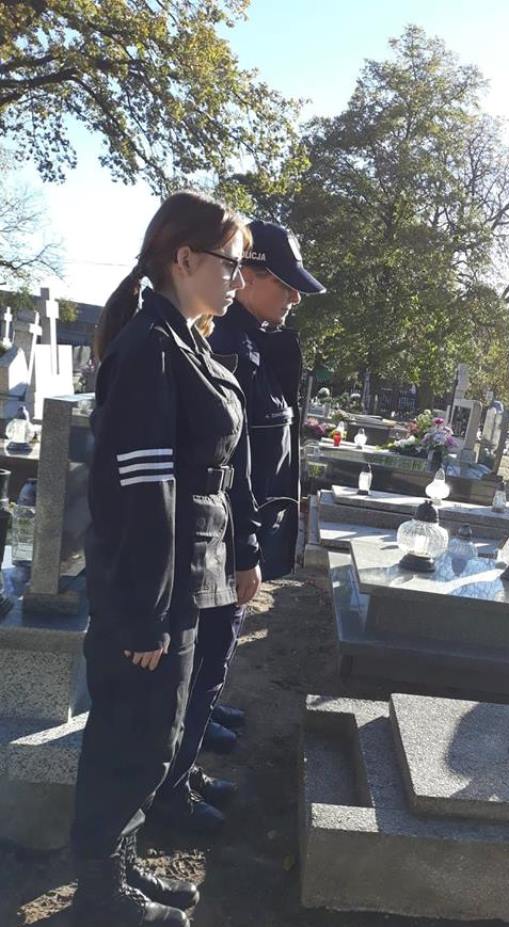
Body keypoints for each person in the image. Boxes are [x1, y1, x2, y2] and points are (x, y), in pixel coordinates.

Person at [70, 192, 261, 927]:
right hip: (153, 585)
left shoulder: (179, 339)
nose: (238, 279)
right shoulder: (151, 346)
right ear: (185, 259)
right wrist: (146, 614)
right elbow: (146, 494)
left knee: (155, 734)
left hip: (185, 576)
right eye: (231, 263)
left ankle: (117, 863)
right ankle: (98, 892)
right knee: (130, 737)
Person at [151, 220, 325, 834]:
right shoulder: (228, 343)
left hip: (237, 535)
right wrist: (246, 547)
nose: (294, 296)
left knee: (210, 663)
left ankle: (184, 764)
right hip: (222, 540)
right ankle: (169, 794)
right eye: (284, 283)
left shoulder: (253, 340)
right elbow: (228, 466)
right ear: (247, 275)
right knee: (201, 668)